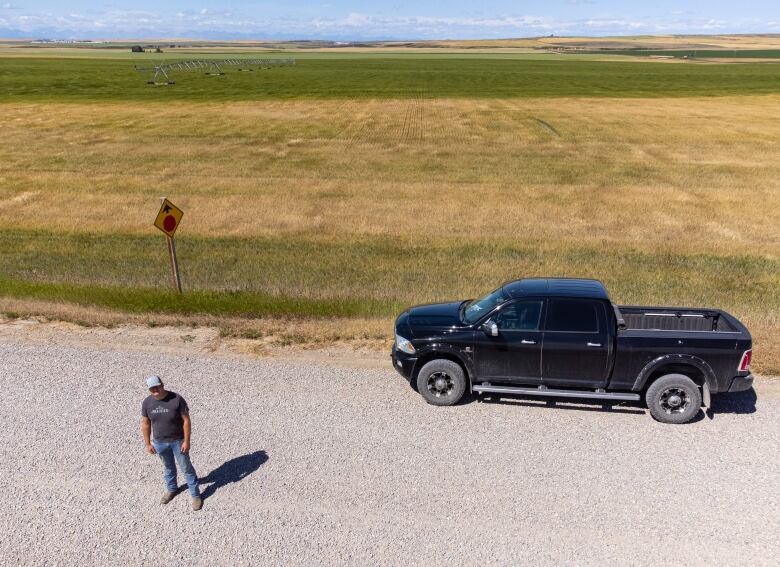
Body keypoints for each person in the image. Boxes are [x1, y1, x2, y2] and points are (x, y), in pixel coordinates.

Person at [140, 376, 203, 511]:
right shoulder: (147, 403)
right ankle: (172, 489)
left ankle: (196, 495)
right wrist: (147, 443)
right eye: (152, 388)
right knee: (168, 468)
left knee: (186, 469)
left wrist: (186, 441)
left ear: (162, 384)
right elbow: (145, 424)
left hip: (178, 442)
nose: (155, 390)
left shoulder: (177, 399)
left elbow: (186, 421)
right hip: (159, 443)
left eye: (157, 386)